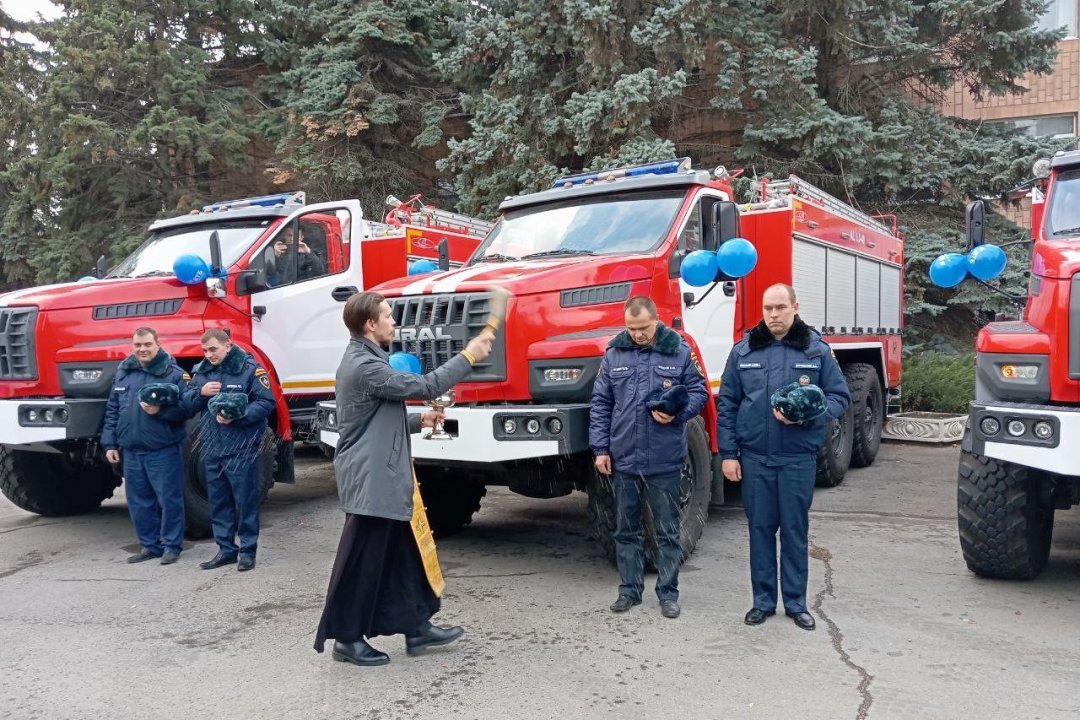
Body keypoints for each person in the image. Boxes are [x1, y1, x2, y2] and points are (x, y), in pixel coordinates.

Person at [313, 291, 494, 667]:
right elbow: (428, 387)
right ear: (370, 324)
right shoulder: (365, 366)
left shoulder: (369, 361)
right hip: (371, 481)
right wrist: (471, 354)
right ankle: (347, 639)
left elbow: (372, 418)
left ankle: (416, 627)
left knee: (403, 557)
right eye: (388, 316)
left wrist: (419, 420)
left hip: (383, 478)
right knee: (361, 563)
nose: (394, 322)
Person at [717, 284, 851, 631]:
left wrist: (808, 413)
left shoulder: (816, 350)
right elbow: (728, 404)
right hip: (756, 458)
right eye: (767, 308)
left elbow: (839, 397)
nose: (773, 314)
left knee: (794, 531)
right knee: (760, 531)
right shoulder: (744, 350)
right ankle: (762, 602)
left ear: (795, 306)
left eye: (780, 307)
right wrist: (728, 455)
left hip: (797, 459)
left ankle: (795, 603)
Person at [589, 296, 708, 619]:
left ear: (656, 320)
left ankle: (668, 594)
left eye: (643, 328)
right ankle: (629, 590)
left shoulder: (679, 351)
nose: (637, 334)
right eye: (631, 328)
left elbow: (699, 392)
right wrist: (600, 449)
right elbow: (601, 404)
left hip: (664, 458)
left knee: (668, 532)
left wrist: (679, 413)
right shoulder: (615, 354)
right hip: (624, 457)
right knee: (626, 530)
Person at [183, 329, 275, 572]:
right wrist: (200, 392)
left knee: (245, 502)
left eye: (213, 349)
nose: (208, 354)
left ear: (227, 345)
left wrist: (239, 416)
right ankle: (225, 550)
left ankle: (247, 551)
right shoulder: (202, 371)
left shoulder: (250, 369)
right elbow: (187, 402)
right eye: (204, 350)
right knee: (218, 502)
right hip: (212, 448)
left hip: (241, 448)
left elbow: (266, 402)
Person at [101, 328, 191, 565]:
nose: (142, 349)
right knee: (139, 502)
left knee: (169, 500)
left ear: (158, 344)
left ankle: (172, 546)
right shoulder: (124, 373)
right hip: (131, 451)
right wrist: (110, 443)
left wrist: (161, 411)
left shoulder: (174, 374)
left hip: (162, 450)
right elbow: (112, 411)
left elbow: (187, 409)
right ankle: (150, 546)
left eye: (147, 344)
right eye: (138, 345)